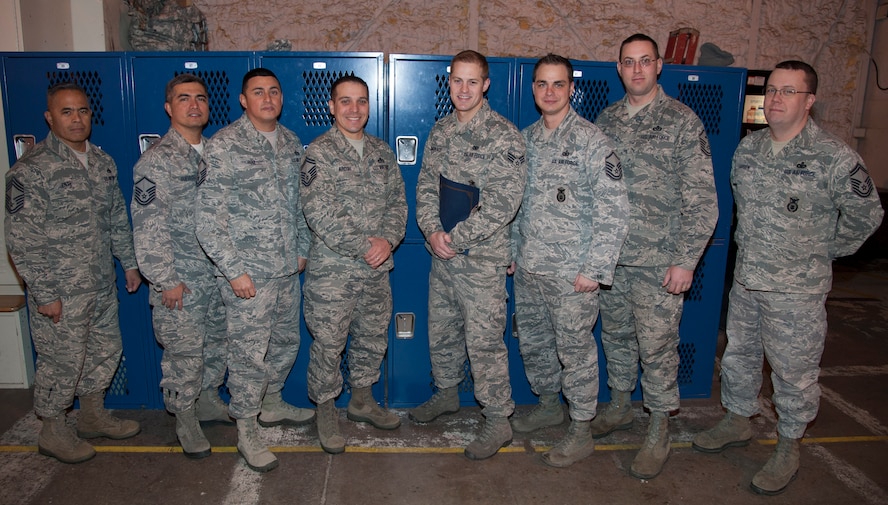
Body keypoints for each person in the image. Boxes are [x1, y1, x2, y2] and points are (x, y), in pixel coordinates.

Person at [692, 60, 883, 495]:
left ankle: (790, 443)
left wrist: (821, 253)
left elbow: (866, 215)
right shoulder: (749, 150)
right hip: (747, 283)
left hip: (797, 291)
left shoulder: (833, 157)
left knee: (793, 371)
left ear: (809, 101)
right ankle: (739, 419)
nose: (776, 99)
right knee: (739, 356)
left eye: (789, 91)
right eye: (772, 90)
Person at [594, 33, 718, 479]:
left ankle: (660, 425)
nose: (638, 69)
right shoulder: (605, 120)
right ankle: (622, 406)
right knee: (617, 339)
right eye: (629, 62)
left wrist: (686, 260)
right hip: (613, 259)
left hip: (658, 263)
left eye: (646, 61)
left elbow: (703, 200)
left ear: (660, 65)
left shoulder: (683, 122)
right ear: (620, 68)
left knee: (659, 348)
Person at [5, 82, 142, 464]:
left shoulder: (101, 161)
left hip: (99, 281)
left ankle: (92, 415)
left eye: (82, 110)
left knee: (104, 349)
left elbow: (116, 217)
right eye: (66, 112)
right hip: (61, 288)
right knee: (61, 360)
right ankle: (52, 429)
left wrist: (128, 262)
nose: (76, 119)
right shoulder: (31, 170)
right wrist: (44, 292)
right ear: (50, 118)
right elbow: (22, 238)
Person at [509, 54, 629, 468]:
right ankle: (547, 404)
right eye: (542, 84)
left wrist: (594, 271)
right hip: (529, 267)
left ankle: (580, 428)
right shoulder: (524, 140)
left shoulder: (593, 142)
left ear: (571, 88)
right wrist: (512, 252)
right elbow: (514, 205)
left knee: (575, 351)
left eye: (558, 84)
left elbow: (614, 211)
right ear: (533, 89)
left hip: (572, 275)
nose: (549, 92)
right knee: (537, 344)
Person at [409, 50, 527, 461]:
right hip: (441, 253)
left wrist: (455, 238)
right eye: (457, 81)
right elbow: (425, 184)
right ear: (449, 81)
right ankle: (446, 393)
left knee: (484, 342)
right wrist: (431, 230)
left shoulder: (504, 135)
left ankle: (498, 419)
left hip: (479, 259)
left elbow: (503, 203)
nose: (464, 89)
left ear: (486, 84)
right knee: (441, 330)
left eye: (472, 82)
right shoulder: (441, 131)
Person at [196, 68, 314, 473]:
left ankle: (271, 402)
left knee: (284, 344)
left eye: (274, 91)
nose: (268, 98)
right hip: (248, 276)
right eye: (258, 92)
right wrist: (233, 271)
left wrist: (302, 249)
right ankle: (246, 428)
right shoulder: (224, 145)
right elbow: (207, 219)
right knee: (248, 356)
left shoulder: (291, 143)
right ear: (243, 100)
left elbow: (301, 205)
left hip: (285, 271)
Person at [300, 75, 407, 454]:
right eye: (345, 101)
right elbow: (319, 212)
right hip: (334, 272)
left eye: (361, 101)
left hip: (377, 269)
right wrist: (365, 245)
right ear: (331, 107)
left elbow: (398, 204)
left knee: (371, 337)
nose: (354, 109)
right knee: (329, 343)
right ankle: (325, 410)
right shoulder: (319, 152)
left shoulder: (381, 152)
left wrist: (388, 239)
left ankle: (362, 400)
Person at [131, 74, 230, 460]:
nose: (194, 105)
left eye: (201, 98)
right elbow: (148, 226)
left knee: (216, 347)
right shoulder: (155, 161)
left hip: (218, 276)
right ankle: (184, 417)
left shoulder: (217, 153)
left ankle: (206, 401)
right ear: (169, 108)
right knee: (184, 354)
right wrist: (165, 279)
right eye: (184, 98)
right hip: (181, 281)